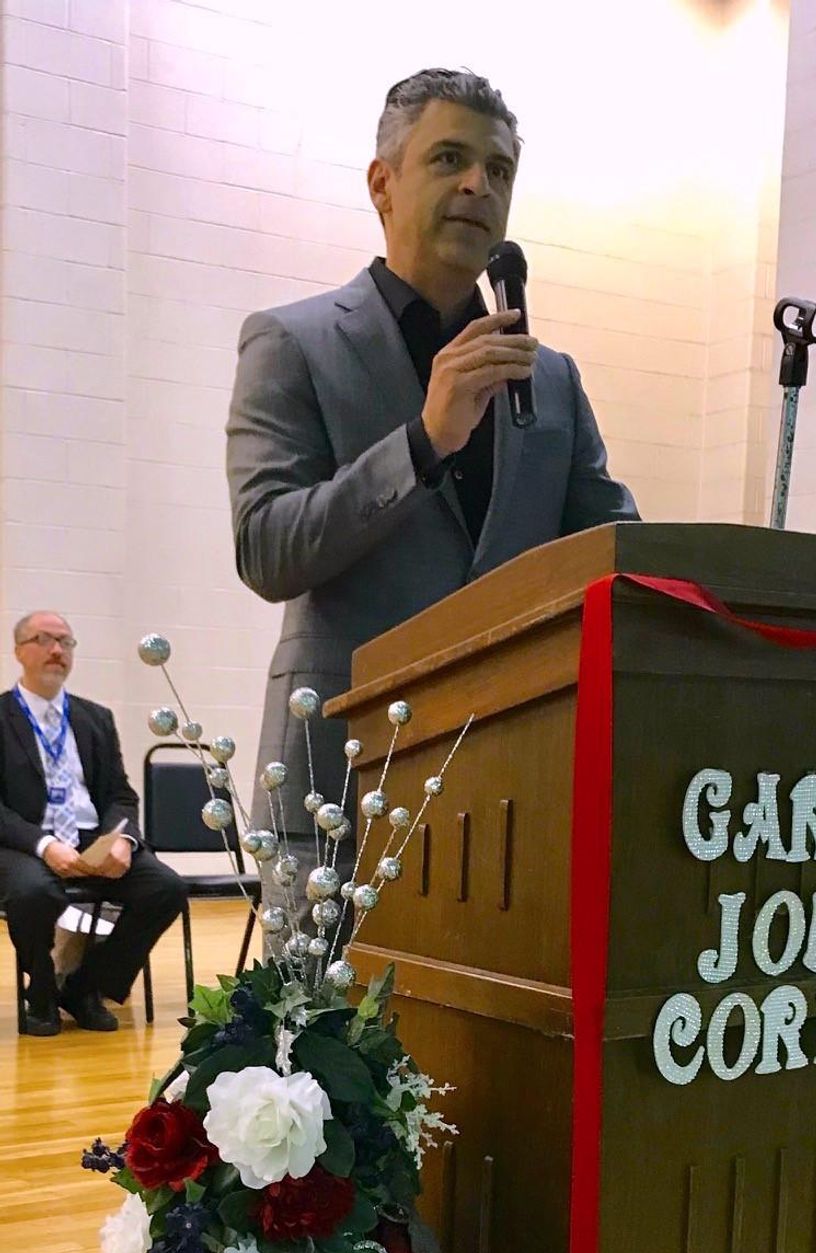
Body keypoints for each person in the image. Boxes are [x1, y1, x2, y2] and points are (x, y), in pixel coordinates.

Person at [226, 66, 638, 843]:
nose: (480, 185)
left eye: (501, 170)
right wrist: (423, 445)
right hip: (341, 786)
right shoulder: (293, 344)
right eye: (450, 159)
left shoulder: (548, 377)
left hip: (515, 780)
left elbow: (612, 553)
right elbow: (267, 549)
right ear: (383, 184)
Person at [0, 612, 187, 1036]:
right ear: (18, 652)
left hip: (90, 838)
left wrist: (122, 840)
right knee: (33, 892)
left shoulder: (95, 719)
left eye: (65, 642)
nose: (56, 651)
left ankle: (85, 987)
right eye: (43, 640)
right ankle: (42, 991)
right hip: (24, 843)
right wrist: (45, 845)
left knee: (165, 888)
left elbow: (121, 795)